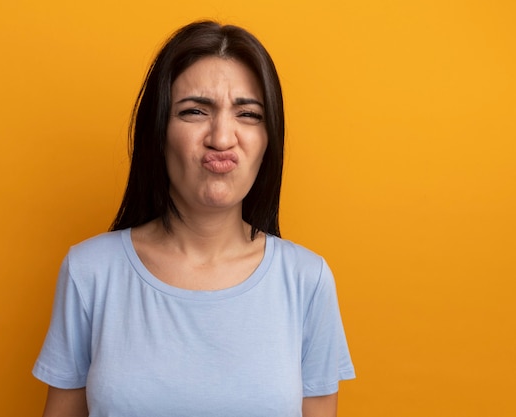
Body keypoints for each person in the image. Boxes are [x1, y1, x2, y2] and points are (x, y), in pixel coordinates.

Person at [33, 20, 355, 417]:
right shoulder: (89, 273)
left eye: (248, 114)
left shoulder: (307, 281)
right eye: (194, 111)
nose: (221, 138)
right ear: (158, 130)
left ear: (269, 139)